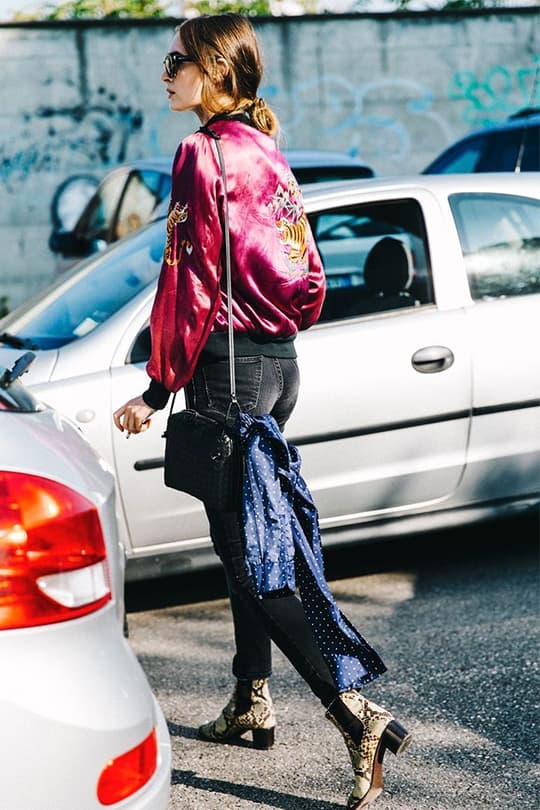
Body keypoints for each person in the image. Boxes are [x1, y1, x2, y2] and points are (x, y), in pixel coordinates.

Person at [113, 13, 411, 808]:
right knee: (239, 541)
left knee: (254, 561)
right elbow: (308, 274)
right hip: (278, 367)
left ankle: (358, 717)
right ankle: (251, 699)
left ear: (213, 69)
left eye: (175, 60)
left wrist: (155, 386)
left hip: (225, 376)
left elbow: (189, 285)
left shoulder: (200, 152)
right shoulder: (267, 153)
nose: (165, 72)